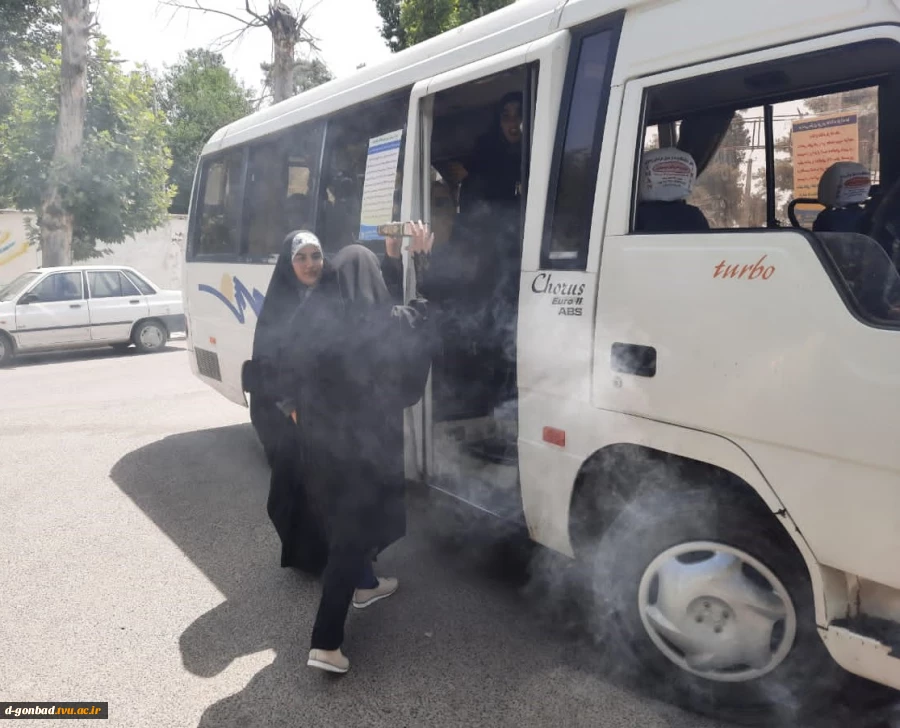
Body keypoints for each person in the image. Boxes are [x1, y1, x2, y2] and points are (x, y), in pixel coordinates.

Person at [267, 231, 437, 675]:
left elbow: (282, 365)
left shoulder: (311, 316)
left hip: (320, 448)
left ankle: (366, 585)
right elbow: (420, 318)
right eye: (375, 273)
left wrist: (298, 412)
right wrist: (420, 262)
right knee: (349, 538)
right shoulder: (379, 323)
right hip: (361, 450)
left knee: (345, 528)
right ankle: (325, 642)